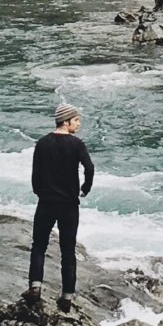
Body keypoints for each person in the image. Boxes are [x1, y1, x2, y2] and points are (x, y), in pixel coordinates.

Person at [25, 103, 95, 313]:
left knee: (39, 246)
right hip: (69, 205)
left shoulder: (42, 143)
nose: (79, 123)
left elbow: (35, 175)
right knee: (67, 251)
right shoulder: (76, 144)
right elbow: (89, 168)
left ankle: (35, 288)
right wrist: (85, 189)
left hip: (46, 203)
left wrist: (40, 192)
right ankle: (66, 298)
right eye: (76, 120)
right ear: (66, 121)